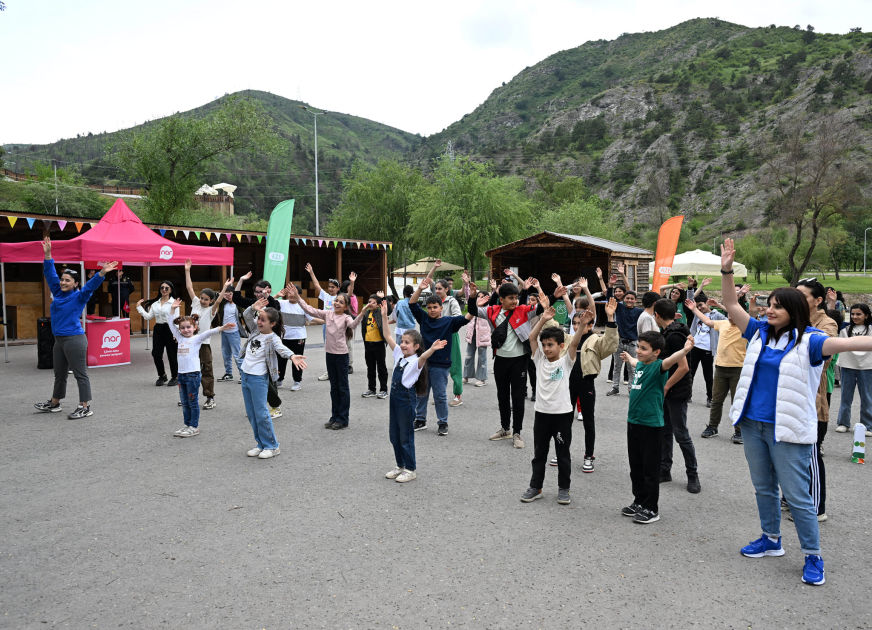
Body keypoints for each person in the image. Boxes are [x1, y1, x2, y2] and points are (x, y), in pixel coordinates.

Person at [718, 239, 872, 586]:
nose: (769, 310)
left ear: (794, 311)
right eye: (768, 305)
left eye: (777, 307)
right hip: (754, 425)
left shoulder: (811, 340)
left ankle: (813, 555)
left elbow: (851, 343)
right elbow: (730, 303)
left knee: (799, 496)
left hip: (787, 430)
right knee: (763, 488)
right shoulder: (757, 331)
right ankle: (771, 540)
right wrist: (726, 268)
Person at [34, 237, 115, 419]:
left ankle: (84, 406)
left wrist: (101, 273)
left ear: (75, 283)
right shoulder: (58, 292)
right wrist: (48, 255)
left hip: (74, 339)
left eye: (67, 280)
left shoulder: (79, 296)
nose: (63, 282)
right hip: (59, 340)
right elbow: (50, 274)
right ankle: (55, 403)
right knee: (59, 374)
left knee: (80, 374)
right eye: (62, 279)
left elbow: (91, 286)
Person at [620, 330, 695, 524]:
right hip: (633, 423)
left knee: (649, 469)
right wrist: (629, 358)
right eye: (638, 347)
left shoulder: (658, 367)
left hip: (650, 426)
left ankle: (651, 508)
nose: (639, 351)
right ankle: (639, 501)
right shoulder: (642, 366)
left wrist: (685, 350)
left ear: (656, 352)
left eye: (644, 348)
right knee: (635, 467)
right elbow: (636, 363)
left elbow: (671, 360)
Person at [519, 306, 588, 505]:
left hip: (562, 414)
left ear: (561, 346)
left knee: (562, 454)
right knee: (539, 453)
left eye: (551, 345)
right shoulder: (539, 359)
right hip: (542, 414)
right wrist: (543, 320)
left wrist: (582, 325)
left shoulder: (567, 361)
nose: (547, 348)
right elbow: (532, 338)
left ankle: (564, 488)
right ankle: (536, 486)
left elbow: (574, 342)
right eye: (545, 345)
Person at [469, 278, 547, 448]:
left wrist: (553, 296)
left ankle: (517, 433)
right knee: (502, 396)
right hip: (500, 362)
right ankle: (505, 429)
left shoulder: (523, 310)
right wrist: (473, 296)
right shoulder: (492, 311)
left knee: (518, 398)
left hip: (519, 361)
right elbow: (472, 310)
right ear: (501, 299)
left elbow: (541, 308)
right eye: (511, 298)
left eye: (516, 297)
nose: (515, 301)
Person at [381, 300, 447, 484]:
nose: (403, 345)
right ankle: (400, 465)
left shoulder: (416, 361)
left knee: (405, 435)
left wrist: (432, 349)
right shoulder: (398, 354)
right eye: (402, 341)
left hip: (405, 400)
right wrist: (385, 315)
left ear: (416, 346)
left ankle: (410, 469)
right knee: (394, 434)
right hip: (394, 399)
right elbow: (387, 335)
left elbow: (425, 356)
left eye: (407, 343)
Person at [551, 298, 619, 472]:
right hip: (567, 385)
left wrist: (610, 318)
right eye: (574, 323)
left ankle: (589, 455)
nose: (576, 326)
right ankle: (561, 451)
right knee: (564, 420)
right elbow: (550, 331)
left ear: (590, 325)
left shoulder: (596, 340)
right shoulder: (567, 339)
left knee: (588, 422)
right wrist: (546, 309)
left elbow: (611, 345)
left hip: (586, 384)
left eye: (580, 323)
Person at [410, 274, 481, 436]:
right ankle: (420, 419)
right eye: (429, 307)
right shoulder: (424, 319)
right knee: (421, 393)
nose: (432, 310)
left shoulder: (449, 322)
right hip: (423, 363)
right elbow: (412, 304)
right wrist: (420, 288)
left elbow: (469, 316)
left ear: (441, 307)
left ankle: (443, 422)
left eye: (435, 307)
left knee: (440, 396)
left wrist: (473, 299)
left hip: (440, 366)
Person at [288, 283, 364, 429]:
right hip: (330, 355)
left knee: (343, 387)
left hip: (342, 356)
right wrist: (298, 298)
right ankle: (334, 416)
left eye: (341, 302)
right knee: (334, 387)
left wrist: (362, 312)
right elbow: (309, 309)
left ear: (346, 307)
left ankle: (343, 418)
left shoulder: (346, 318)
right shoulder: (328, 314)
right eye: (336, 301)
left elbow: (354, 325)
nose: (337, 303)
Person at [239, 298, 305, 459]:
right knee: (251, 413)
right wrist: (253, 308)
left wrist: (292, 356)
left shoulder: (273, 338)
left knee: (261, 413)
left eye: (263, 320)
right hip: (245, 376)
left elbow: (282, 349)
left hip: (258, 379)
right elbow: (247, 316)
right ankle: (261, 444)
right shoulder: (255, 330)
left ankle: (272, 446)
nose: (259, 322)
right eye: (259, 318)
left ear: (272, 324)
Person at [167, 298, 235, 437]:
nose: (186, 330)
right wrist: (172, 309)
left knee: (192, 402)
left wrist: (222, 328)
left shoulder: (196, 339)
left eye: (188, 327)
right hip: (181, 375)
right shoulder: (179, 338)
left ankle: (194, 426)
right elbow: (170, 324)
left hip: (193, 375)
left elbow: (208, 332)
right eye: (183, 328)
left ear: (195, 328)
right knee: (185, 402)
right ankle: (187, 425)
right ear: (179, 329)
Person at [653, 298, 700, 493]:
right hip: (668, 389)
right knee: (665, 430)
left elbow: (683, 367)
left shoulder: (674, 336)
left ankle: (693, 475)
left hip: (676, 391)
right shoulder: (670, 330)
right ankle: (665, 470)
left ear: (657, 315)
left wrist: (666, 387)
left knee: (681, 434)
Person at [687, 298, 747, 444]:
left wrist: (723, 305)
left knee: (737, 401)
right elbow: (707, 321)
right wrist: (694, 309)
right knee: (716, 400)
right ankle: (713, 427)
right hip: (720, 367)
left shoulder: (745, 327)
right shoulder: (723, 323)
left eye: (734, 314)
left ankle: (739, 431)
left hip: (737, 369)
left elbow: (749, 315)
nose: (731, 317)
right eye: (729, 314)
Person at [183, 259, 228, 411]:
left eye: (206, 299)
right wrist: (187, 270)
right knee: (189, 369)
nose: (202, 301)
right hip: (189, 342)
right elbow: (189, 287)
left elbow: (219, 301)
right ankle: (189, 396)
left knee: (206, 370)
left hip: (204, 344)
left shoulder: (211, 310)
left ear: (211, 301)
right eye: (202, 298)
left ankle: (210, 397)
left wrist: (225, 287)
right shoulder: (195, 303)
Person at [274, 283, 320, 393]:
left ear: (299, 295)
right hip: (283, 337)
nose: (291, 295)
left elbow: (313, 318)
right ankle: (279, 380)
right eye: (289, 293)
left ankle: (297, 381)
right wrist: (276, 295)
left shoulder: (302, 306)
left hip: (299, 337)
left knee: (298, 360)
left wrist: (329, 321)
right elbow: (267, 303)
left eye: (293, 293)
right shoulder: (281, 303)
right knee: (281, 359)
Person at [606, 263, 642, 397]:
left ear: (635, 300)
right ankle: (615, 387)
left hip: (633, 342)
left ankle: (631, 389)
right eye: (627, 298)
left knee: (632, 368)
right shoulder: (620, 308)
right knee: (617, 366)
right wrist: (610, 286)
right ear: (624, 299)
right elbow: (609, 299)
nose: (629, 300)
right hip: (620, 341)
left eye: (632, 299)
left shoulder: (639, 312)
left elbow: (652, 314)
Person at [835, 303, 872, 435]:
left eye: (858, 314)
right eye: (852, 314)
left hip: (867, 366)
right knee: (846, 395)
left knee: (867, 396)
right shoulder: (845, 329)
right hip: (848, 365)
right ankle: (843, 422)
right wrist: (832, 302)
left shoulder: (871, 329)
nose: (855, 316)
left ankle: (867, 425)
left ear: (866, 315)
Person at [686, 291, 727, 407]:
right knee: (690, 372)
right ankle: (687, 395)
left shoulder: (716, 315)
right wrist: (690, 289)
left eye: (701, 305)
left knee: (708, 375)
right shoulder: (696, 314)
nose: (699, 308)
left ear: (707, 303)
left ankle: (710, 397)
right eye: (697, 306)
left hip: (708, 349)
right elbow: (689, 300)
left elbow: (729, 318)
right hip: (695, 347)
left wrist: (719, 305)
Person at [137, 280, 180, 387]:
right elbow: (148, 317)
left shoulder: (174, 302)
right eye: (162, 288)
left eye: (166, 288)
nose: (164, 290)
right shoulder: (155, 304)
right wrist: (139, 307)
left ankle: (175, 376)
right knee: (156, 354)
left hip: (170, 328)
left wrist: (177, 333)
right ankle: (162, 375)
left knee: (172, 354)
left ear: (171, 290)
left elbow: (176, 320)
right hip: (158, 329)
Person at [305, 263, 341, 381]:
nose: (330, 289)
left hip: (337, 325)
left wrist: (352, 282)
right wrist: (311, 272)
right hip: (327, 325)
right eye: (329, 287)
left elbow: (349, 295)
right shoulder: (326, 296)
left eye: (333, 287)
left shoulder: (341, 298)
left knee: (338, 348)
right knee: (328, 348)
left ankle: (337, 371)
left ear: (338, 288)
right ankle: (330, 371)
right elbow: (316, 285)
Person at [434, 277, 465, 407]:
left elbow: (458, 317)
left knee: (455, 366)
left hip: (451, 335)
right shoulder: (434, 301)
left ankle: (458, 396)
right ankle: (439, 395)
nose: (437, 291)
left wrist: (444, 323)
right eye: (435, 288)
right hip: (437, 336)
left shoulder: (451, 301)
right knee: (437, 365)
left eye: (440, 289)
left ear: (447, 289)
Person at [362, 292, 392, 399]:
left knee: (381, 368)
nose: (370, 304)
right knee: (370, 368)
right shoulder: (366, 313)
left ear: (378, 304)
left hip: (379, 345)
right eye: (369, 302)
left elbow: (388, 309)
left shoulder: (380, 312)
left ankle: (384, 389)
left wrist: (382, 298)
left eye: (373, 302)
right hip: (368, 345)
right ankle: (371, 389)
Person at [216, 284, 246, 383]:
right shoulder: (223, 304)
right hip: (224, 332)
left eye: (230, 294)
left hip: (234, 333)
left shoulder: (238, 305)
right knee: (226, 354)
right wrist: (223, 294)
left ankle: (243, 374)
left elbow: (245, 315)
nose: (228, 296)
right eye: (227, 294)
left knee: (237, 354)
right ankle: (228, 373)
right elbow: (216, 296)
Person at [464, 290, 491, 387]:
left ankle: (482, 378)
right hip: (472, 335)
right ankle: (466, 376)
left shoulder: (488, 309)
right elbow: (468, 295)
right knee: (469, 355)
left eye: (482, 296)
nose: (480, 298)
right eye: (478, 296)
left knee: (482, 357)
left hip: (483, 336)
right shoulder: (474, 308)